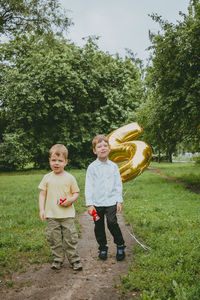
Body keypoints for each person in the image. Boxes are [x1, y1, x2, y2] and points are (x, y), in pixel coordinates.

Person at [38, 144, 82, 271]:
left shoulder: (70, 178)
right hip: (51, 215)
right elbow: (42, 194)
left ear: (66, 162)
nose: (56, 163)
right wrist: (42, 209)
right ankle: (58, 258)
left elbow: (76, 193)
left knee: (70, 238)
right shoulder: (47, 178)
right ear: (49, 161)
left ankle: (74, 259)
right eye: (53, 160)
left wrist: (71, 200)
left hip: (67, 215)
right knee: (54, 238)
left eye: (60, 161)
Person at [85, 134, 126, 261]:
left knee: (112, 222)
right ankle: (102, 248)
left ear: (109, 148)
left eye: (105, 145)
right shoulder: (92, 167)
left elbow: (118, 184)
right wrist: (89, 204)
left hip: (111, 201)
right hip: (97, 203)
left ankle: (120, 245)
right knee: (98, 225)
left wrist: (119, 200)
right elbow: (89, 186)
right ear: (94, 150)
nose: (102, 148)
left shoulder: (113, 166)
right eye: (99, 146)